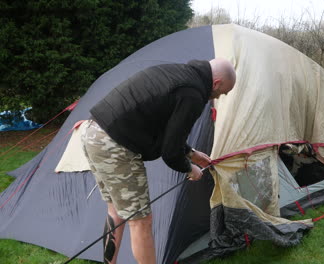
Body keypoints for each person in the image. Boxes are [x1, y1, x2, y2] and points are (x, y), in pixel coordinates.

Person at [81, 58, 236, 264]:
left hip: (92, 132)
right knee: (141, 222)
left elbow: (164, 127)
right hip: (115, 145)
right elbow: (170, 152)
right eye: (222, 92)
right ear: (216, 83)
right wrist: (190, 169)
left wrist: (191, 153)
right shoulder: (193, 94)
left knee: (116, 211)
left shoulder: (178, 71)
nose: (218, 97)